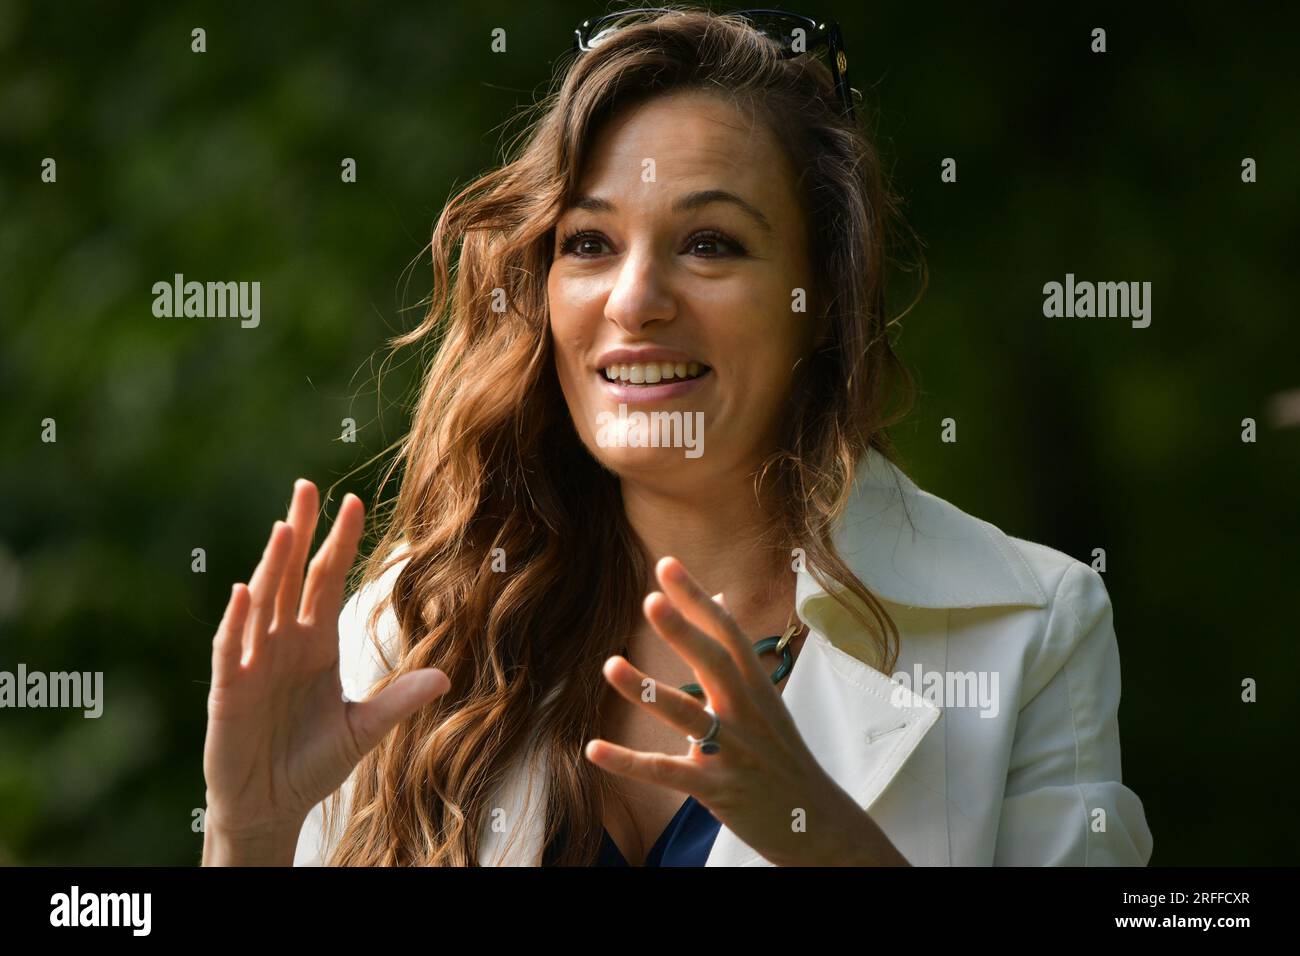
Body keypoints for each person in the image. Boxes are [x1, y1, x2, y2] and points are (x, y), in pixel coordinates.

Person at [201, 7, 1153, 867]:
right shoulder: (410, 627)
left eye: (710, 245)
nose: (635, 300)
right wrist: (249, 834)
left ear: (820, 300)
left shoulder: (1031, 628)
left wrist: (822, 842)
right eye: (589, 243)